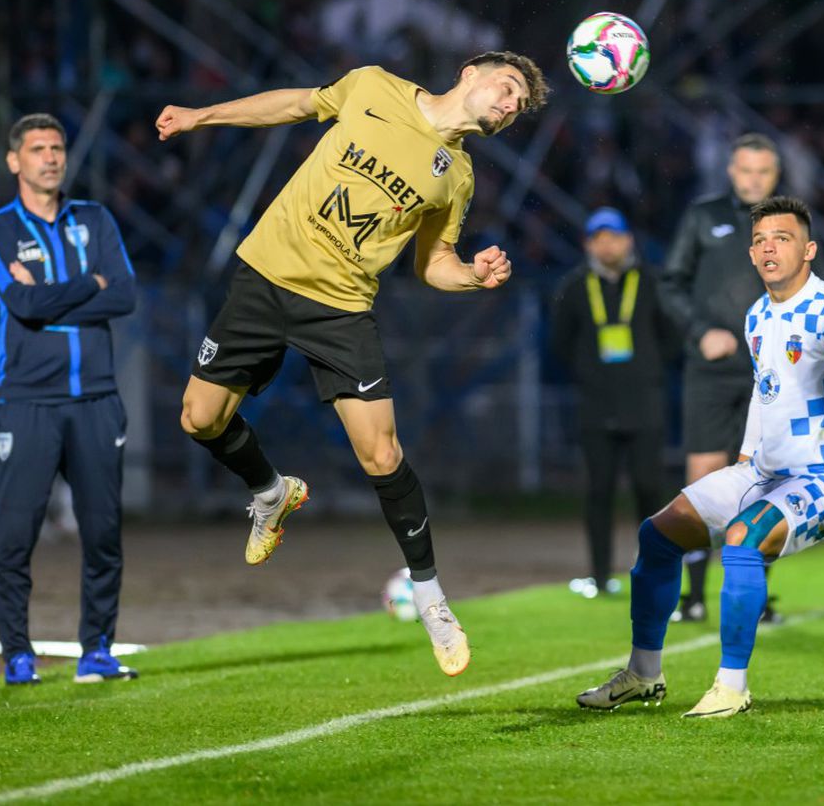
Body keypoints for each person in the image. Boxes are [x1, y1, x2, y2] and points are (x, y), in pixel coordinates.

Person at [155, 53, 549, 677]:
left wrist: (472, 275)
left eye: (518, 106)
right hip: (264, 278)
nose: (510, 105)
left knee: (383, 455)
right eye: (507, 88)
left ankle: (430, 597)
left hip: (339, 311)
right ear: (470, 71)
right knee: (199, 418)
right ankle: (271, 492)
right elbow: (293, 103)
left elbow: (433, 262)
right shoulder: (373, 87)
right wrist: (205, 115)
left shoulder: (457, 177)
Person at [577, 195, 824, 718]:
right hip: (764, 472)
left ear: (809, 249)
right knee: (656, 535)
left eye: (783, 238)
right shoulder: (755, 315)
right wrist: (746, 456)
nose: (769, 247)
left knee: (741, 540)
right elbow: (765, 388)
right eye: (760, 241)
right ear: (751, 255)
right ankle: (643, 673)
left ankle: (731, 687)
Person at [0, 113, 139, 685]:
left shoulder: (95, 219)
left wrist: (55, 296)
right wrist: (86, 286)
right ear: (14, 161)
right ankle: (18, 654)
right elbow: (23, 306)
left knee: (103, 534)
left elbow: (125, 296)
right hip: (28, 402)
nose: (50, 156)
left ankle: (96, 649)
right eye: (37, 148)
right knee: (15, 536)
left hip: (97, 400)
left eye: (57, 146)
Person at [661, 132, 783, 623]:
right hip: (710, 374)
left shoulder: (788, 224)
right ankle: (692, 597)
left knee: (768, 485)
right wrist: (701, 331)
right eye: (746, 170)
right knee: (704, 483)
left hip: (771, 376)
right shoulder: (703, 216)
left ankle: (754, 598)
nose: (753, 179)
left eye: (763, 172)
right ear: (732, 171)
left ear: (776, 176)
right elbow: (670, 283)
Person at [550, 207, 678, 598]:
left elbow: (672, 336)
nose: (607, 245)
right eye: (598, 238)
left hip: (644, 403)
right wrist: (591, 373)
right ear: (588, 244)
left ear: (628, 241)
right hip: (596, 405)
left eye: (614, 237)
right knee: (598, 491)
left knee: (648, 489)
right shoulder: (574, 286)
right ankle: (600, 575)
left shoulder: (652, 282)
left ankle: (652, 571)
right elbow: (560, 343)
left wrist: (648, 370)